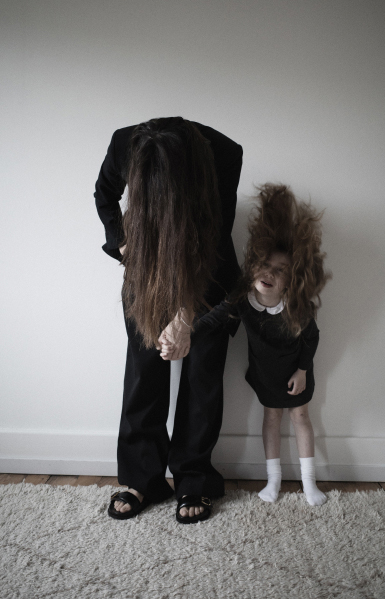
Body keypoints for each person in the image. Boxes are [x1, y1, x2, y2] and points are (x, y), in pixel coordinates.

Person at [96, 117, 242, 523]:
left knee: (202, 378)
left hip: (207, 271)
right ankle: (142, 479)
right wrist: (122, 242)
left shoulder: (223, 155)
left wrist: (185, 318)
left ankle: (194, 479)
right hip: (145, 266)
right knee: (144, 373)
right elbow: (104, 194)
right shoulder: (123, 144)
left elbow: (215, 237)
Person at [193, 184, 330, 507]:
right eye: (265, 265)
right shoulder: (243, 299)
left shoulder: (296, 307)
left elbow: (312, 337)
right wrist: (188, 331)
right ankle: (273, 480)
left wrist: (303, 370)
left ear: (292, 280)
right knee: (270, 419)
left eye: (280, 271)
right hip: (265, 374)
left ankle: (309, 483)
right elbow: (215, 318)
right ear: (253, 263)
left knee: (300, 417)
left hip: (296, 374)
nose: (269, 273)